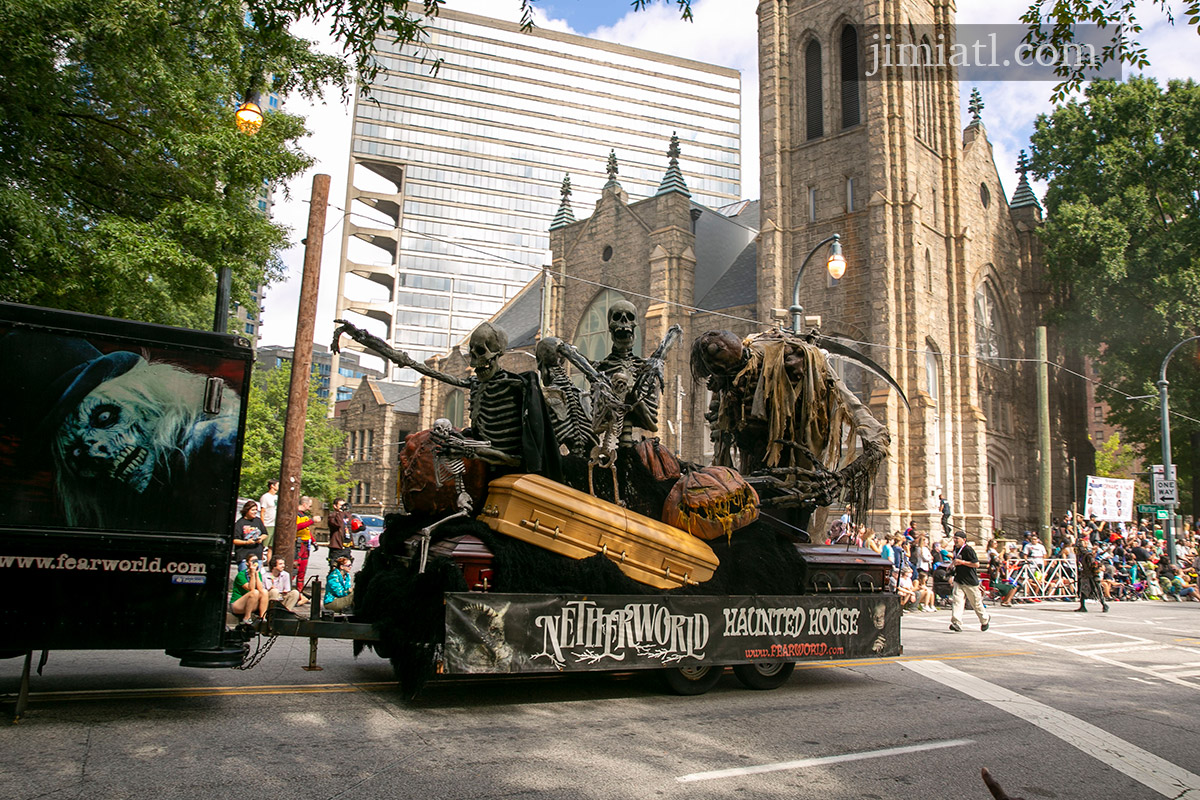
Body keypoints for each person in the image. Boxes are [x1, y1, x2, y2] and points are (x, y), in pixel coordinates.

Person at [948, 532, 990, 633]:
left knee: (976, 603)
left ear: (964, 540)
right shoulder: (956, 549)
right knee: (957, 601)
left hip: (970, 581)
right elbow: (956, 559)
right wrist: (951, 566)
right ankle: (956, 623)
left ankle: (985, 619)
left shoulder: (968, 550)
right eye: (954, 538)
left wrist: (962, 562)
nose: (955, 540)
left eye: (957, 538)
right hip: (959, 579)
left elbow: (976, 564)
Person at [230, 553, 269, 624]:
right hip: (238, 604)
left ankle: (263, 617)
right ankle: (247, 617)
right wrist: (252, 573)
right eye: (253, 561)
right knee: (254, 592)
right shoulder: (241, 575)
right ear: (247, 563)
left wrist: (256, 574)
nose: (255, 563)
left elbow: (260, 588)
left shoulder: (258, 574)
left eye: (256, 561)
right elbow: (250, 588)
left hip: (251, 603)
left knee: (264, 592)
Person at [1074, 539, 1109, 612]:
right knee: (1083, 591)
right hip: (1085, 575)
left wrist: (1095, 573)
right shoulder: (1080, 556)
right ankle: (1082, 606)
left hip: (1092, 575)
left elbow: (1093, 564)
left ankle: (1104, 604)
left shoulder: (1088, 555)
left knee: (1097, 590)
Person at [232, 500, 268, 569]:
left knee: (257, 578)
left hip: (257, 556)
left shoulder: (258, 520)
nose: (255, 512)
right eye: (253, 510)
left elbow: (265, 534)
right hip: (244, 557)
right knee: (246, 578)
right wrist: (246, 542)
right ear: (246, 510)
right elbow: (235, 540)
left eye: (256, 510)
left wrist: (260, 538)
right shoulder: (239, 523)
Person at [295, 496, 316, 589]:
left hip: (306, 544)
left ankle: (300, 591)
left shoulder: (305, 516)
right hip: (298, 544)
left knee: (302, 570)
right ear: (304, 504)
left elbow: (307, 531)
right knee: (295, 568)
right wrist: (312, 521)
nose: (310, 508)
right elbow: (297, 527)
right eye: (309, 506)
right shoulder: (296, 515)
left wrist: (314, 541)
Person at [327, 498, 348, 566]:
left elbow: (350, 528)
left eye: (344, 505)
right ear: (335, 506)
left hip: (346, 546)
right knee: (335, 567)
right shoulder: (332, 516)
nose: (343, 507)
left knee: (346, 567)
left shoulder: (346, 515)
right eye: (341, 505)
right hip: (337, 546)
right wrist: (340, 512)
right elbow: (338, 524)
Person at [258, 479, 279, 548]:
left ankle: (269, 559)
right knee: (264, 546)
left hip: (275, 524)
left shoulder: (277, 497)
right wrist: (262, 525)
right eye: (278, 485)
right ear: (272, 486)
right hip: (267, 524)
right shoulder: (265, 497)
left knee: (271, 547)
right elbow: (262, 512)